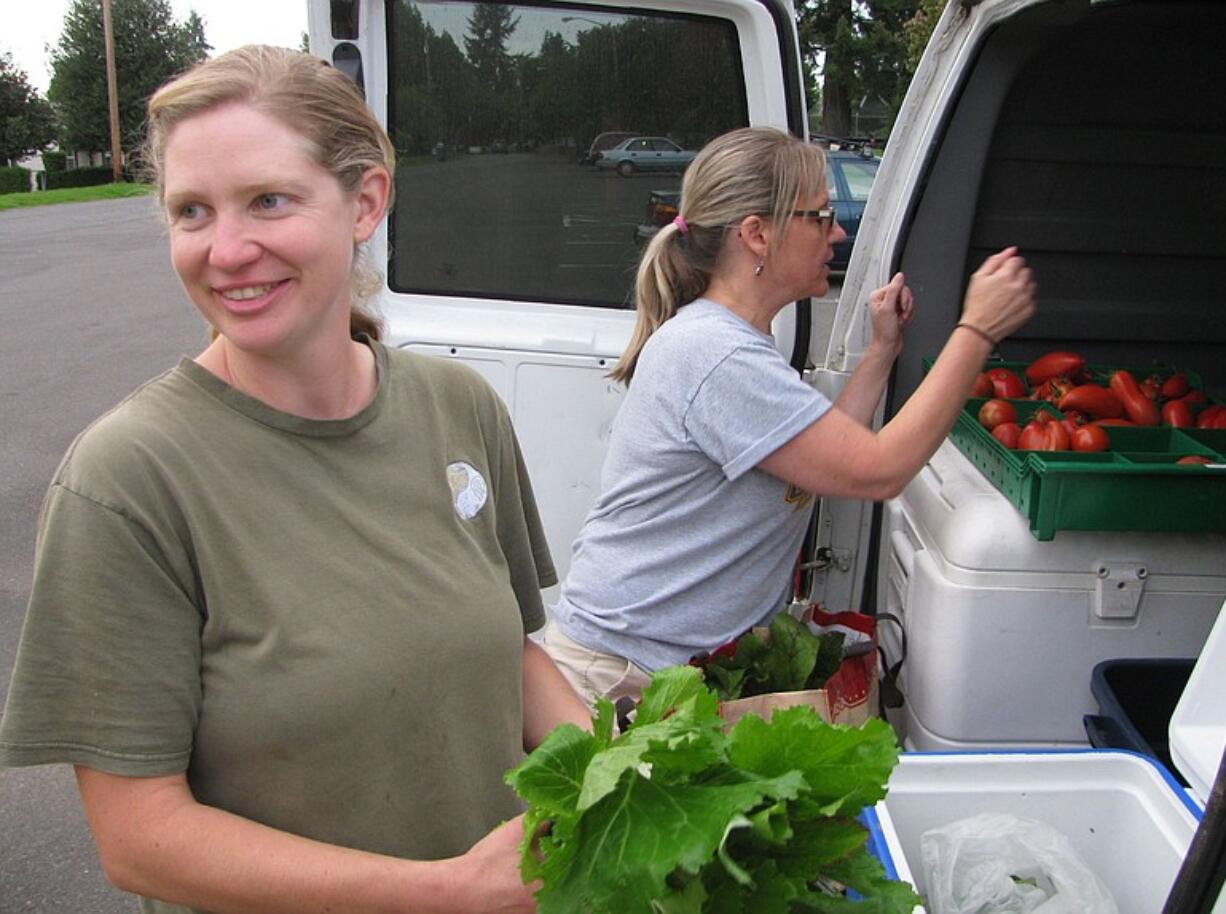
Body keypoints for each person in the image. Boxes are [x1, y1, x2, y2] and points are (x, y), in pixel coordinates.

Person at [0, 46, 590, 914]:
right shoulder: (129, 480)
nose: (227, 250)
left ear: (366, 201)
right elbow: (139, 839)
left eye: (267, 200)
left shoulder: (457, 407)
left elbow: (513, 653)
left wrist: (616, 776)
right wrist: (448, 892)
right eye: (191, 211)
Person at [540, 126, 1036, 707]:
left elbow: (818, 461)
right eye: (821, 217)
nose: (838, 232)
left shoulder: (736, 342)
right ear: (757, 234)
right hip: (620, 679)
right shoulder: (716, 353)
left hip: (655, 673)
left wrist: (881, 354)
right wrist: (976, 330)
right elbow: (878, 470)